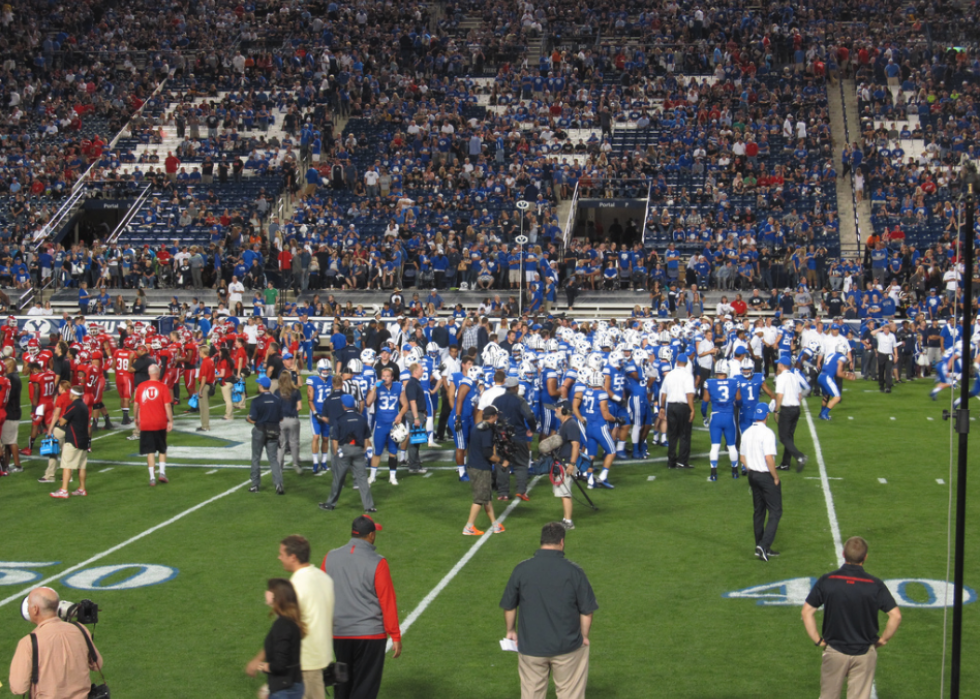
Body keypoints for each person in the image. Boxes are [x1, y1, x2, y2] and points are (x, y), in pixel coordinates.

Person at [500, 522, 598, 699]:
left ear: (542, 541)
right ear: (561, 542)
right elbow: (586, 610)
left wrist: (510, 630)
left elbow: (509, 605)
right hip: (567, 648)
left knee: (531, 695)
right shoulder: (574, 571)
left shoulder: (522, 569)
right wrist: (583, 636)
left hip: (531, 647)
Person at [801, 537, 903, 699]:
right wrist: (883, 640)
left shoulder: (828, 580)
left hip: (835, 651)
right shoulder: (874, 584)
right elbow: (895, 616)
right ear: (865, 557)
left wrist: (818, 640)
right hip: (864, 653)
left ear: (843, 554)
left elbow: (807, 612)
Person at [320, 515, 402, 699]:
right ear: (371, 535)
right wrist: (395, 635)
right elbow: (387, 600)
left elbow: (320, 594)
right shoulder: (378, 563)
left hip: (339, 633)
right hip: (370, 636)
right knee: (364, 687)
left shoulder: (330, 557)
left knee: (342, 685)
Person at [8, 586, 104, 698]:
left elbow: (19, 688)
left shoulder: (29, 642)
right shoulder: (80, 630)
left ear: (35, 609)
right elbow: (97, 664)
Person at [273, 535, 335, 699]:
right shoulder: (324, 578)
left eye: (282, 554)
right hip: (320, 658)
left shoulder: (295, 586)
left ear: (293, 557)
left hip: (303, 663)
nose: (279, 557)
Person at [246, 578, 305, 699]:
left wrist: (262, 666)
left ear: (276, 597)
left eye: (269, 590)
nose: (265, 592)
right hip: (292, 685)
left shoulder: (282, 625)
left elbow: (280, 665)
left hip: (284, 689)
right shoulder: (290, 622)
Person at [319, 393, 375, 512]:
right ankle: (369, 507)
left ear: (343, 405)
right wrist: (364, 451)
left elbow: (334, 440)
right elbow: (366, 439)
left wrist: (336, 453)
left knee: (338, 479)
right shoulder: (361, 418)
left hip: (344, 450)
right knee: (362, 479)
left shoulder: (339, 419)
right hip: (358, 450)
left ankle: (330, 504)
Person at [740, 403, 781, 561]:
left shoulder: (747, 432)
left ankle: (761, 545)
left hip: (753, 475)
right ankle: (764, 546)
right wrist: (775, 477)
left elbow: (742, 457)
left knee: (759, 511)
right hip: (765, 475)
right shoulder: (768, 433)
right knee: (775, 511)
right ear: (767, 415)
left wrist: (751, 469)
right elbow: (769, 458)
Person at [462, 405, 505, 535]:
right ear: (492, 417)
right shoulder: (486, 431)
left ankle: (495, 524)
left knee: (486, 496)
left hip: (474, 465)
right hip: (480, 467)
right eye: (496, 415)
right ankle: (469, 527)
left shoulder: (478, 426)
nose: (498, 417)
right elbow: (488, 453)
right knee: (479, 499)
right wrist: (501, 461)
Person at [493, 376, 537, 501]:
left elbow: (491, 415)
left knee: (502, 464)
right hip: (518, 435)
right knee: (521, 464)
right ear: (516, 387)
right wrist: (532, 429)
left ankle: (503, 493)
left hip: (502, 437)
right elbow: (529, 415)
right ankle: (521, 491)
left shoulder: (497, 400)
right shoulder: (519, 400)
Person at [134, 364, 174, 487]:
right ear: (157, 373)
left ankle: (152, 478)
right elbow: (167, 405)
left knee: (150, 451)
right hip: (160, 422)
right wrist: (171, 420)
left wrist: (135, 417)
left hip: (145, 422)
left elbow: (136, 404)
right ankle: (162, 473)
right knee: (162, 448)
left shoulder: (141, 386)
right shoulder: (162, 387)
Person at [50, 386, 90, 499]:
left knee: (67, 466)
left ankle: (64, 490)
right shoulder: (84, 405)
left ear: (73, 394)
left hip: (73, 439)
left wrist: (60, 417)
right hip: (83, 439)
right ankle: (82, 489)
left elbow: (62, 422)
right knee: (81, 466)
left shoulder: (74, 406)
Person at [247, 375, 284, 494]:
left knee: (256, 458)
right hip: (273, 431)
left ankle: (255, 485)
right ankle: (278, 484)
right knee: (273, 459)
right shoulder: (277, 400)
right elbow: (281, 418)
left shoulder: (256, 401)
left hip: (260, 431)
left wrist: (248, 419)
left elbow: (253, 419)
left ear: (261, 386)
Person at [660, 353, 695, 470]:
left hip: (671, 406)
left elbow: (663, 393)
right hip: (683, 407)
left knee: (673, 435)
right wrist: (692, 409)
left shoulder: (670, 374)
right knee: (684, 434)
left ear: (676, 361)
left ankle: (671, 461)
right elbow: (689, 394)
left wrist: (662, 407)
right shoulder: (688, 376)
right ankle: (682, 461)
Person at [774, 358, 807, 471]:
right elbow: (799, 394)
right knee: (789, 436)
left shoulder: (781, 377)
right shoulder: (794, 376)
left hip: (787, 409)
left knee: (783, 437)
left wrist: (776, 411)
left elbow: (779, 395)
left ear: (782, 365)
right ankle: (785, 463)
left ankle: (799, 456)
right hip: (796, 408)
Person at [553, 400, 583, 530]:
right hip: (562, 462)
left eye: (557, 409)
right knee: (563, 493)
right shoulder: (565, 424)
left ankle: (568, 522)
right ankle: (566, 519)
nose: (555, 410)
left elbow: (576, 445)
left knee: (565, 493)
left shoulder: (570, 425)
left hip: (566, 463)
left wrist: (572, 464)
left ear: (564, 410)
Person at [402, 362, 428, 475]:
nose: (423, 370)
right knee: (414, 441)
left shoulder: (415, 382)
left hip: (418, 413)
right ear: (416, 371)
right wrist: (416, 417)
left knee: (417, 440)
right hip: (415, 414)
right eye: (421, 369)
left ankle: (415, 463)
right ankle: (413, 466)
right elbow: (412, 402)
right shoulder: (412, 383)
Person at [277, 371, 303, 475]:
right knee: (294, 443)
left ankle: (279, 467)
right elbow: (299, 407)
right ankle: (296, 464)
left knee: (281, 445)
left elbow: (275, 406)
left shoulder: (277, 392)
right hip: (293, 419)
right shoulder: (296, 391)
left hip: (281, 420)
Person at [871, 322, 898, 393]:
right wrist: (880, 329)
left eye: (887, 329)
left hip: (889, 355)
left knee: (888, 371)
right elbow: (872, 333)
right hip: (881, 354)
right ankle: (881, 385)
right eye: (885, 329)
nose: (886, 331)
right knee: (881, 371)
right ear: (883, 329)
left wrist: (896, 356)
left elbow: (894, 346)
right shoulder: (879, 335)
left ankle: (888, 387)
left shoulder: (892, 336)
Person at [196, 345, 215, 432]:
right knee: (204, 406)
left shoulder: (205, 362)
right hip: (210, 385)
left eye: (200, 351)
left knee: (204, 407)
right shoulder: (211, 361)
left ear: (202, 352)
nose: (199, 353)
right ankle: (205, 425)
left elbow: (203, 377)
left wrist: (200, 390)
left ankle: (205, 426)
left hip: (205, 385)